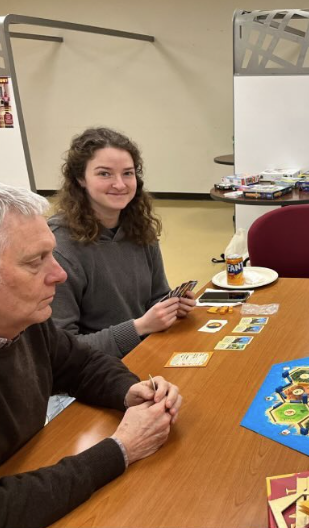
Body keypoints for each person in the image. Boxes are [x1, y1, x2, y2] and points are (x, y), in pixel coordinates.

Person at [0, 183, 182, 527]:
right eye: (36, 260)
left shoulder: (28, 323)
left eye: (51, 254)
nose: (60, 274)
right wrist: (121, 449)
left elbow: (81, 364)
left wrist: (129, 391)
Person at [49, 127, 195, 359]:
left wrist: (171, 306)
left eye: (127, 173)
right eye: (105, 174)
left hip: (145, 349)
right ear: (80, 179)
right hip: (93, 370)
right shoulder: (59, 247)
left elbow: (157, 295)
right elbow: (61, 350)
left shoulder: (139, 227)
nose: (120, 184)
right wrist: (140, 327)